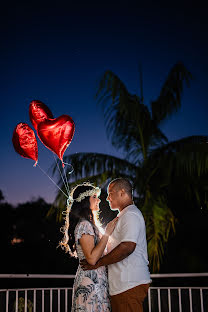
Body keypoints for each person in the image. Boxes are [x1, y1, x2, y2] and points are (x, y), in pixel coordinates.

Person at [81, 178, 151, 312]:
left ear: (122, 193)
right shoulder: (124, 216)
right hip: (122, 285)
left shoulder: (130, 214)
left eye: (110, 193)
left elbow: (127, 247)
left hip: (129, 284)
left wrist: (99, 263)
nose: (107, 198)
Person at [59, 182, 118, 312]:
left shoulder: (91, 225)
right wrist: (107, 233)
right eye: (94, 197)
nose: (98, 200)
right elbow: (91, 259)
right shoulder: (84, 225)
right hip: (90, 282)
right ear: (85, 201)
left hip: (98, 280)